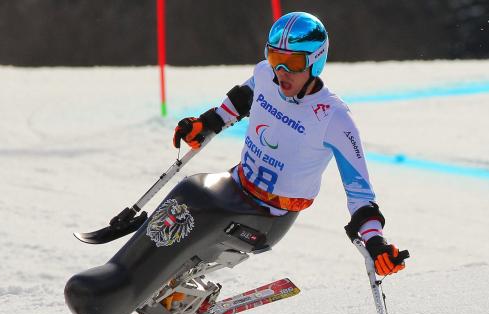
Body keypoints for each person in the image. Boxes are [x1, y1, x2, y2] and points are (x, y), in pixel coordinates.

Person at [173, 11, 407, 278]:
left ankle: (174, 288)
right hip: (235, 185)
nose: (281, 71)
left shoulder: (335, 118)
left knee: (196, 224)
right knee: (184, 197)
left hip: (269, 217)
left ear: (315, 61)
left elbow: (361, 195)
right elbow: (243, 99)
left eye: (293, 63)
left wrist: (376, 244)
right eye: (275, 58)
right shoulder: (265, 75)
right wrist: (207, 122)